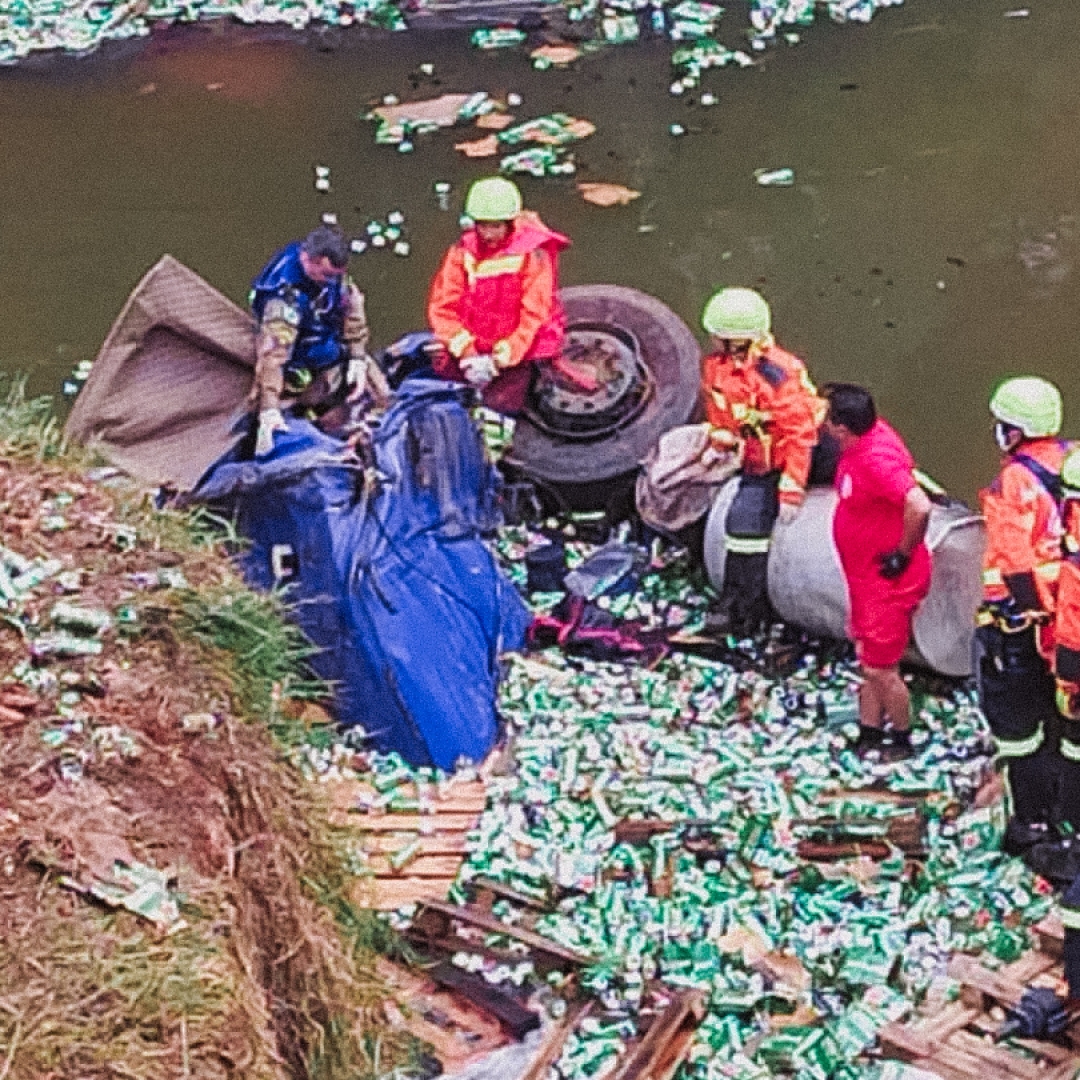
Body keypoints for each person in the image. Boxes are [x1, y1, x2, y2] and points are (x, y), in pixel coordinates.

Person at [975, 376, 1069, 848]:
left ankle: (1032, 822)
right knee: (1062, 719)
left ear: (1013, 431)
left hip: (1023, 624)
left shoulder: (1015, 482)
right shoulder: (1071, 463)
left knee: (1018, 728)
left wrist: (1029, 612)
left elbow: (1013, 560)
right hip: (1067, 620)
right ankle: (1061, 803)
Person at [700, 287, 825, 634]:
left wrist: (791, 488)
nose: (712, 340)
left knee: (750, 525)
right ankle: (739, 602)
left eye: (719, 335)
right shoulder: (717, 368)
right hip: (758, 458)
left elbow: (800, 434)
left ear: (736, 340)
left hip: (794, 453)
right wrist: (720, 439)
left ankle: (749, 607)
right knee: (740, 530)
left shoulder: (778, 375)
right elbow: (721, 412)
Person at [822, 383, 932, 762]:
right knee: (868, 659)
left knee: (881, 668)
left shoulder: (875, 462)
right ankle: (869, 730)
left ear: (841, 428)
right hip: (864, 578)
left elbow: (918, 505)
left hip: (885, 582)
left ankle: (902, 739)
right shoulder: (866, 439)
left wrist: (901, 554)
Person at [426, 176, 570, 416]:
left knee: (500, 409)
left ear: (511, 223)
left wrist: (500, 359)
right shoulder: (461, 253)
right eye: (483, 225)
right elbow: (443, 307)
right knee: (447, 398)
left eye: (496, 226)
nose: (489, 234)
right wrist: (467, 352)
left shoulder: (532, 256)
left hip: (515, 346)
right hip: (472, 342)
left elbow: (533, 314)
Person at [249, 224, 384, 457]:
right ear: (307, 260)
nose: (332, 282)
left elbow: (352, 307)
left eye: (337, 276)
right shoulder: (284, 298)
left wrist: (358, 356)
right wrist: (269, 410)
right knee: (327, 412)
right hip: (298, 359)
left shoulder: (335, 278)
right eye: (327, 276)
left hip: (329, 343)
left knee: (380, 394)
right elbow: (274, 355)